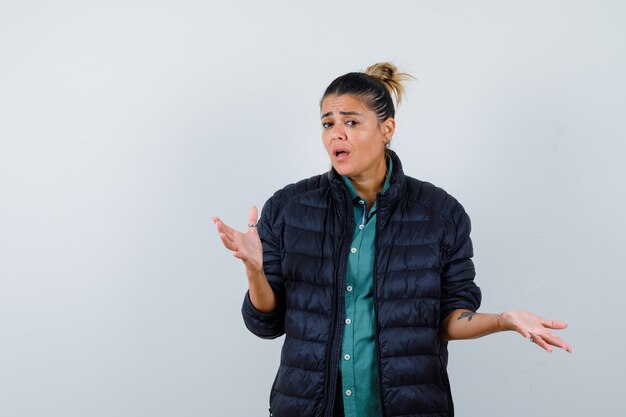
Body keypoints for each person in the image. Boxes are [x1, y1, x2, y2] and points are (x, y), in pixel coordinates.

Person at [212, 62, 572, 417]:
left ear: (387, 129)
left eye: (351, 122)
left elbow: (449, 319)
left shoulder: (440, 215)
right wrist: (254, 270)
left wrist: (503, 320)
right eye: (328, 124)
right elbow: (266, 323)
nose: (336, 133)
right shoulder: (290, 209)